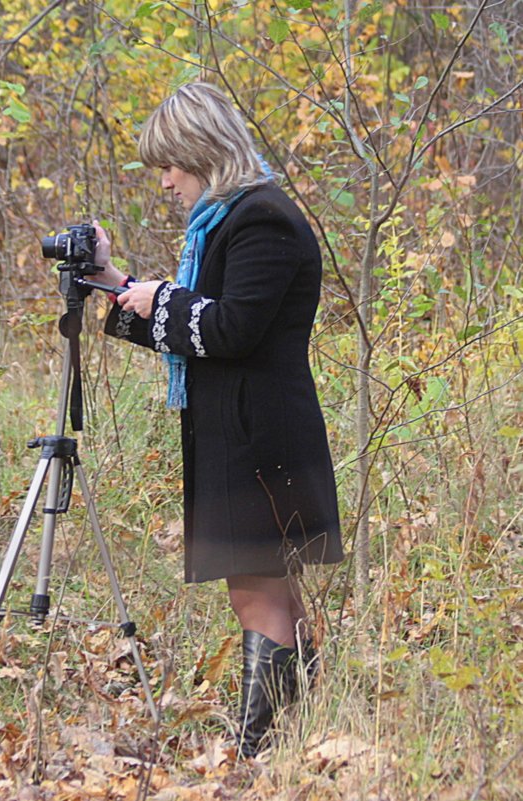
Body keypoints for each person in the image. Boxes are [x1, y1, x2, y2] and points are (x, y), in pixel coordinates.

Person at [93, 82, 343, 757]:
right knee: (270, 595)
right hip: (244, 431)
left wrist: (160, 297)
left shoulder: (262, 218)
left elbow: (231, 328)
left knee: (258, 595)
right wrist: (118, 286)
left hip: (259, 438)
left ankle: (260, 751)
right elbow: (200, 326)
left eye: (170, 165)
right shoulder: (227, 221)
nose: (166, 181)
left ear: (201, 152)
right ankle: (289, 739)